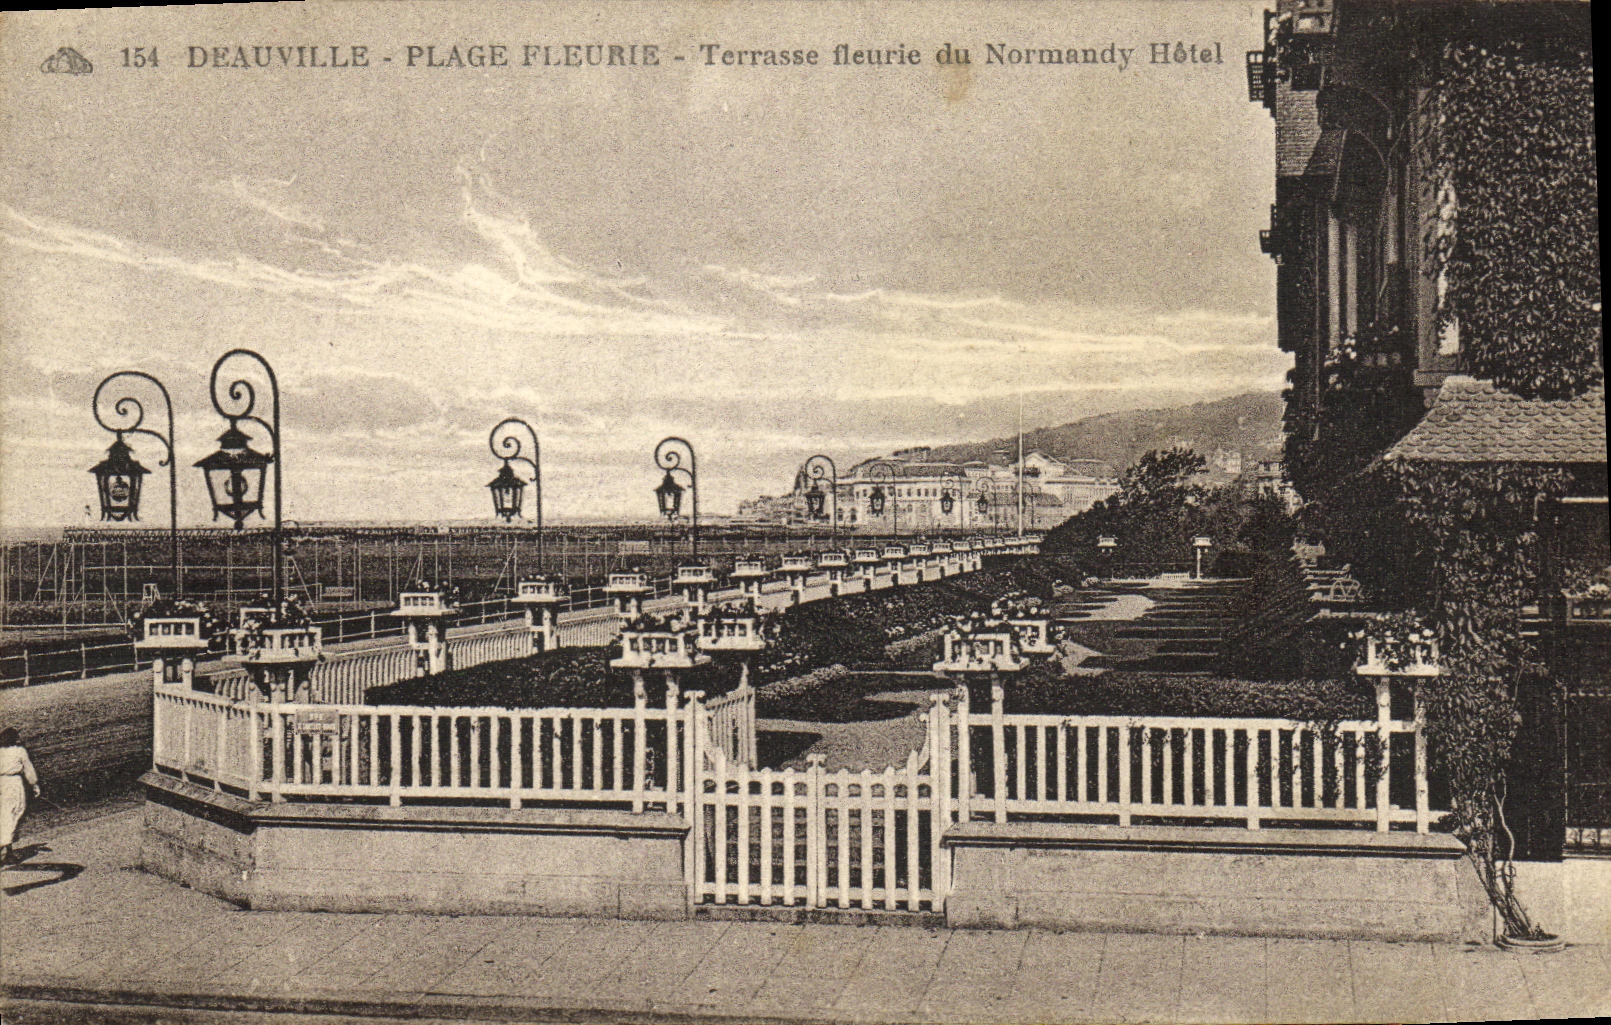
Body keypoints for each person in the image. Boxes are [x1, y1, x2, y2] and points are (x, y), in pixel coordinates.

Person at [1, 727, 41, 865]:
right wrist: (34, 784)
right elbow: (28, 769)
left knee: (5, 815)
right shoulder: (20, 751)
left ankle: (8, 852)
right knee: (15, 813)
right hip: (13, 784)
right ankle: (4, 846)